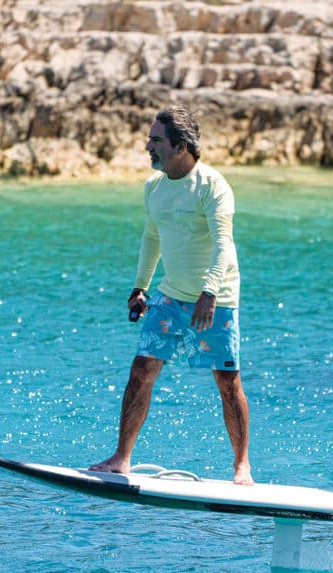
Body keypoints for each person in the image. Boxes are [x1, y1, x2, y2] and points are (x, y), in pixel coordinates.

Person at [91, 105, 254, 485]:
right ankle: (121, 457)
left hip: (216, 298)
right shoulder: (154, 188)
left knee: (227, 381)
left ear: (181, 146)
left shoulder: (212, 186)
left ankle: (242, 465)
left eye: (156, 140)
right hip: (170, 296)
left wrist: (210, 291)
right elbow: (152, 238)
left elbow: (224, 245)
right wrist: (140, 287)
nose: (148, 146)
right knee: (141, 371)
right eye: (150, 138)